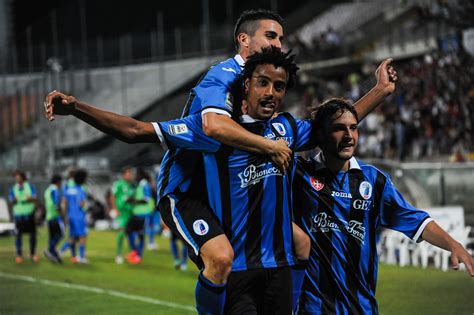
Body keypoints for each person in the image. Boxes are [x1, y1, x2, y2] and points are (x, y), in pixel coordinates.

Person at [44, 12, 396, 314]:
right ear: (244, 43)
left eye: (279, 85)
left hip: (244, 216)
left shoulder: (283, 125)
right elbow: (168, 128)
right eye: (270, 36)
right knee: (221, 258)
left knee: (300, 243)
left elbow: (334, 127)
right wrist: (77, 108)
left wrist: (379, 91)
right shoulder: (221, 79)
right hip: (186, 189)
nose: (278, 43)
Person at [293, 98, 474, 314]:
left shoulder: (374, 182)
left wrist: (453, 245)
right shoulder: (300, 175)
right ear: (320, 135)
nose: (349, 136)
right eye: (339, 129)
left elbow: (416, 221)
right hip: (314, 309)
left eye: (353, 128)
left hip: (361, 308)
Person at [8, 170, 39, 263]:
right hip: (18, 215)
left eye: (18, 176)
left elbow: (35, 198)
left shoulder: (30, 186)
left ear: (23, 177)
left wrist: (31, 199)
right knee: (18, 235)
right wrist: (14, 200)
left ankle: (32, 254)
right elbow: (11, 201)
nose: (16, 178)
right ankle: (19, 255)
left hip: (29, 214)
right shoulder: (13, 188)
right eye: (15, 177)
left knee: (33, 235)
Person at [126, 168, 155, 264]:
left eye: (136, 174)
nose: (135, 176)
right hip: (137, 213)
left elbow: (146, 199)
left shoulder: (145, 185)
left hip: (144, 214)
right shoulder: (139, 185)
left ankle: (138, 255)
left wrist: (134, 201)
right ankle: (135, 252)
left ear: (140, 175)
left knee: (140, 235)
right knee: (129, 231)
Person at [62, 169, 89, 264]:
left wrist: (65, 216)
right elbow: (81, 204)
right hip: (79, 216)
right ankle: (81, 257)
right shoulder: (80, 190)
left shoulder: (69, 189)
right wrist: (86, 207)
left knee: (72, 237)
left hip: (71, 216)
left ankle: (59, 252)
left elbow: (65, 202)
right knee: (82, 236)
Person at [111, 166, 135, 264]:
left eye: (131, 173)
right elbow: (113, 196)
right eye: (128, 173)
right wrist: (115, 209)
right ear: (123, 174)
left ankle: (131, 254)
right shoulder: (118, 184)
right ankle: (119, 254)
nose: (130, 175)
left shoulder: (132, 186)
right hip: (121, 212)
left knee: (131, 234)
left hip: (130, 212)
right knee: (121, 232)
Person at [43, 174, 64, 263]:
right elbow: (56, 204)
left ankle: (54, 255)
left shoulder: (47, 190)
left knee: (52, 237)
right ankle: (50, 250)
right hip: (55, 216)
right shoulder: (55, 190)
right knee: (60, 234)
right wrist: (61, 212)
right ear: (58, 182)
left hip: (49, 216)